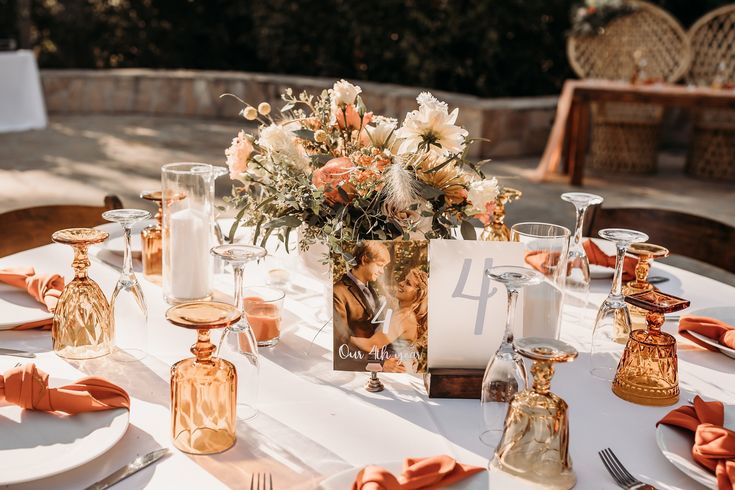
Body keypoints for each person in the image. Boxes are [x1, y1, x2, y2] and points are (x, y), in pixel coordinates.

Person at [350, 268, 428, 373]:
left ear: (417, 296)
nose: (401, 283)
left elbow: (372, 345)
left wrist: (344, 337)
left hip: (395, 372)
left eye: (408, 283)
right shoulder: (402, 312)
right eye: (404, 280)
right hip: (396, 368)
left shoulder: (404, 317)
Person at [333, 241, 391, 370]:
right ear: (365, 259)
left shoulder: (371, 289)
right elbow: (341, 339)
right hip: (354, 365)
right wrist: (378, 363)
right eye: (380, 265)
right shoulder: (338, 292)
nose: (382, 271)